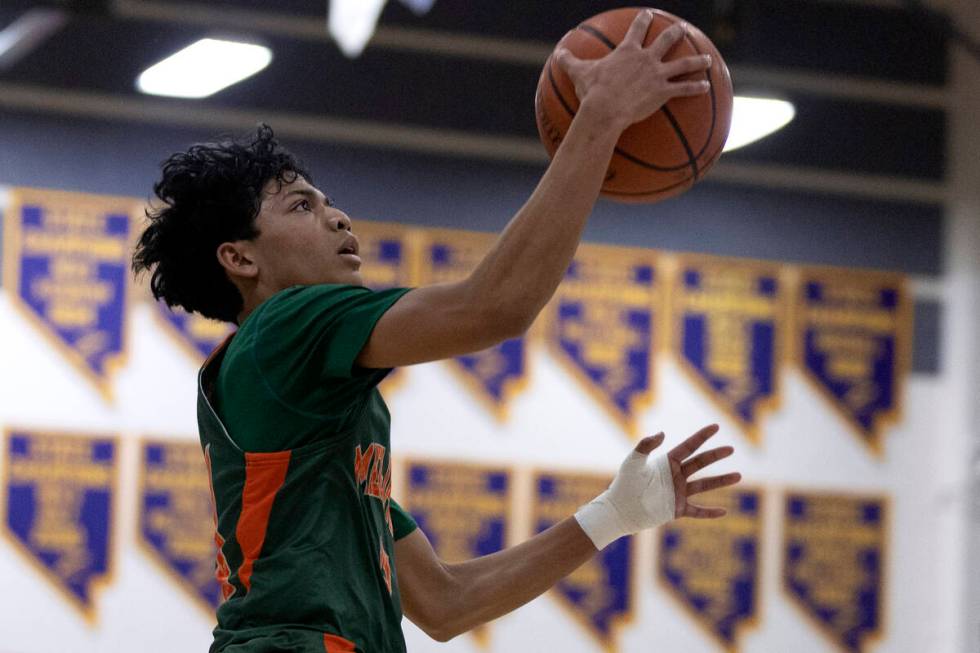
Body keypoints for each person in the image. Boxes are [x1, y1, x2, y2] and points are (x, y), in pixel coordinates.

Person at [133, 11, 740, 653]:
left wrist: (613, 515)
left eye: (327, 200)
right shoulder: (286, 327)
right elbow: (494, 307)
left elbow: (447, 604)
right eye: (301, 206)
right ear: (240, 259)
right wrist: (599, 118)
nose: (338, 218)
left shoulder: (319, 433)